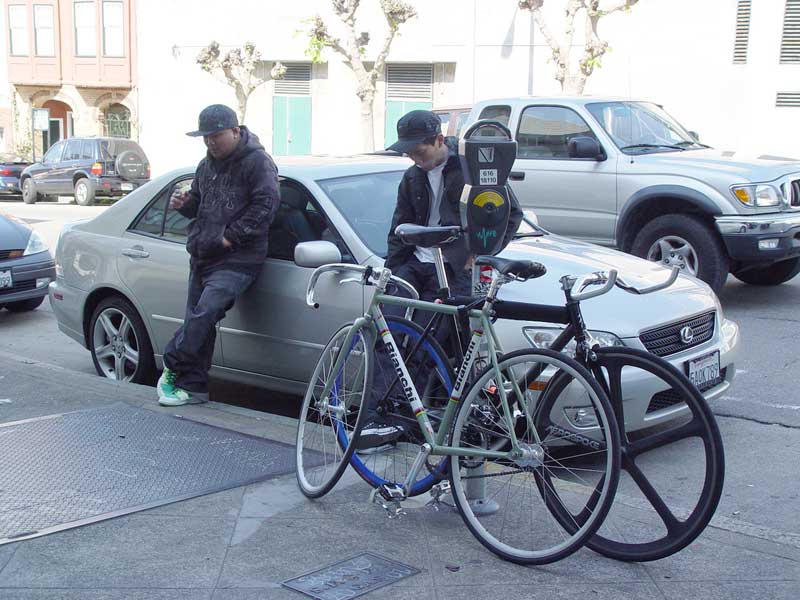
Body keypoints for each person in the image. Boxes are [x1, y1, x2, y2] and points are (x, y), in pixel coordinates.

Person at [356, 109, 523, 449]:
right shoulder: (412, 177)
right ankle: (378, 417)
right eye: (408, 153)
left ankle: (405, 418)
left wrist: (483, 250)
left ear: (437, 140)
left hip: (452, 268)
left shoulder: (471, 168)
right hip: (413, 262)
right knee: (386, 335)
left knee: (425, 340)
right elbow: (399, 225)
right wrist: (393, 268)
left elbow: (511, 214)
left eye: (419, 151)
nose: (414, 159)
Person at [157, 104, 280, 406]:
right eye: (206, 137)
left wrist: (230, 238)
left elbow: (266, 206)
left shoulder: (258, 163)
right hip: (202, 254)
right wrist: (184, 203)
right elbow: (199, 204)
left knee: (206, 312)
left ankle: (171, 361)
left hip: (238, 259)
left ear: (236, 131)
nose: (211, 142)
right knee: (199, 324)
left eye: (217, 136)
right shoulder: (205, 164)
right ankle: (194, 388)